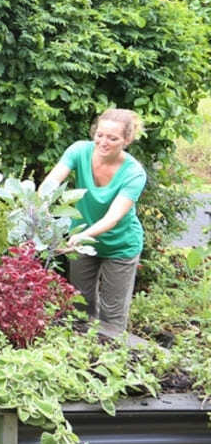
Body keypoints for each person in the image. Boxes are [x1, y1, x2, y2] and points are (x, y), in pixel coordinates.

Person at [41, 108, 147, 334]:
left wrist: (81, 236)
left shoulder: (134, 173)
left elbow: (113, 217)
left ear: (127, 140)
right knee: (79, 304)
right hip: (82, 242)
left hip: (120, 245)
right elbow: (51, 182)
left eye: (112, 138)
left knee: (112, 315)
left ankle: (110, 361)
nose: (103, 142)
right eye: (99, 135)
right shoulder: (79, 151)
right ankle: (81, 358)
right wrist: (39, 206)